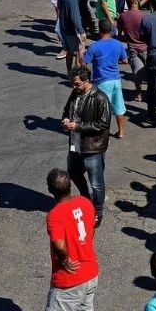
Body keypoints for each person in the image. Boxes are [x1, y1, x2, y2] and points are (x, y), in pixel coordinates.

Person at [43, 168, 99, 311]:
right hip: (90, 270)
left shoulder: (55, 215)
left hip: (69, 278)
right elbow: (91, 230)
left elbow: (58, 244)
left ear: (50, 190)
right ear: (70, 186)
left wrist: (65, 259)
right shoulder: (85, 202)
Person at [62, 66, 111, 226]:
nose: (74, 86)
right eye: (72, 83)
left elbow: (103, 124)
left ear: (87, 81)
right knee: (74, 173)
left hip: (93, 147)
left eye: (77, 83)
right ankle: (86, 199)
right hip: (75, 143)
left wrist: (78, 126)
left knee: (96, 182)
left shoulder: (100, 98)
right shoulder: (74, 94)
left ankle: (98, 211)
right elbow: (66, 111)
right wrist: (65, 119)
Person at [82, 18, 128, 139]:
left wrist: (80, 53)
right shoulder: (118, 44)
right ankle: (121, 132)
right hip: (116, 80)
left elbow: (82, 64)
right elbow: (125, 60)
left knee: (101, 109)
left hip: (102, 81)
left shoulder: (94, 46)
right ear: (111, 29)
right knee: (119, 107)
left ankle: (101, 133)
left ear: (100, 30)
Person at [117, 0, 147, 102]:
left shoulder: (122, 16)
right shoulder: (145, 15)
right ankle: (154, 88)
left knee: (137, 72)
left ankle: (138, 94)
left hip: (132, 48)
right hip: (146, 47)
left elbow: (119, 32)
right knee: (152, 70)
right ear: (136, 2)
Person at [58, 0, 86, 73]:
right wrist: (81, 31)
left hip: (64, 28)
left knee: (69, 52)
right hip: (72, 30)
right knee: (80, 51)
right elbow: (75, 17)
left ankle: (69, 72)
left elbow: (59, 9)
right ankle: (78, 74)